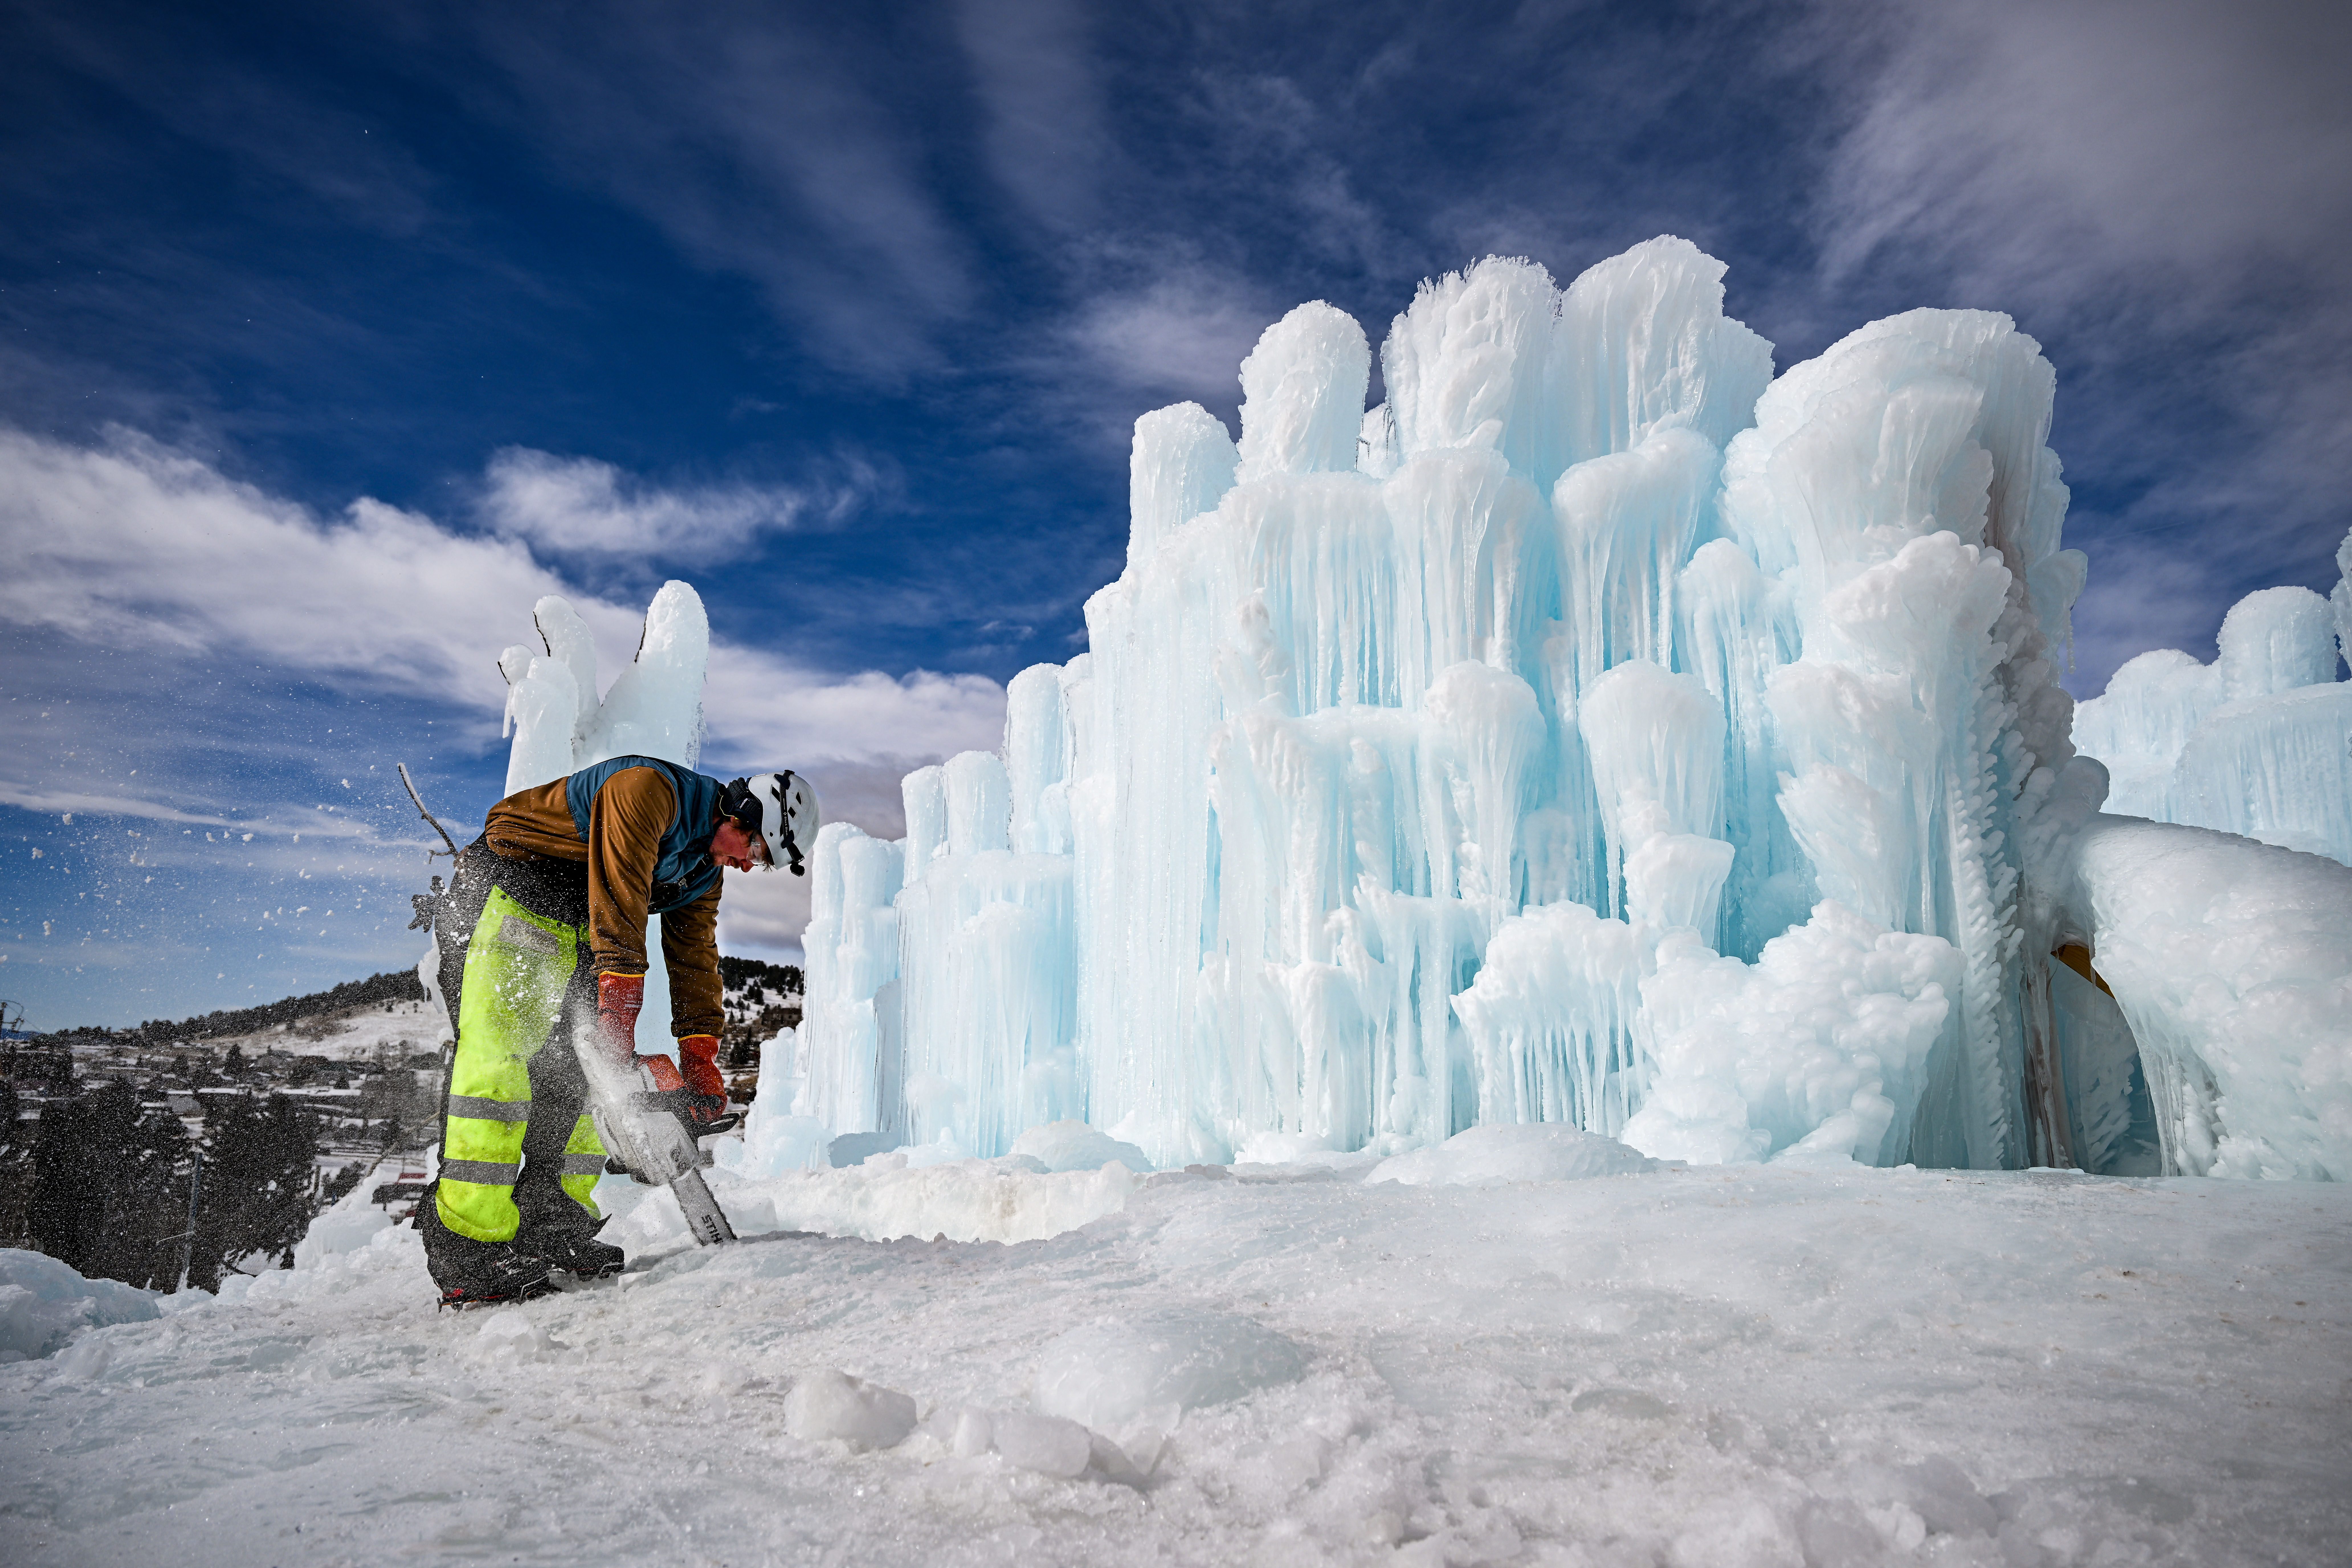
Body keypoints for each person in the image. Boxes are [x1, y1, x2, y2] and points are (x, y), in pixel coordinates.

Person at [421, 756, 819, 1306]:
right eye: (754, 851)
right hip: (509, 894)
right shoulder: (648, 791)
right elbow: (619, 891)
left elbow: (694, 956)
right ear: (743, 815)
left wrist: (700, 1055)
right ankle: (467, 1244)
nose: (749, 866)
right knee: (498, 1067)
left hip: (578, 928)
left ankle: (549, 1220)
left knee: (583, 1080)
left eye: (762, 863)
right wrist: (620, 1006)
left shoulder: (704, 871)